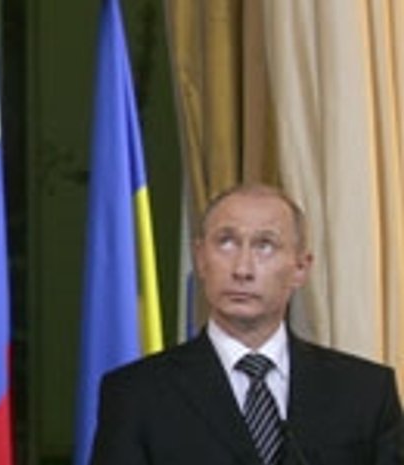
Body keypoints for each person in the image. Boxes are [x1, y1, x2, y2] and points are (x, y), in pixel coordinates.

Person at [91, 184, 404, 464]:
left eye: (265, 245)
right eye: (226, 243)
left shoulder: (365, 393)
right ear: (200, 258)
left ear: (300, 268)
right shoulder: (137, 394)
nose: (242, 269)